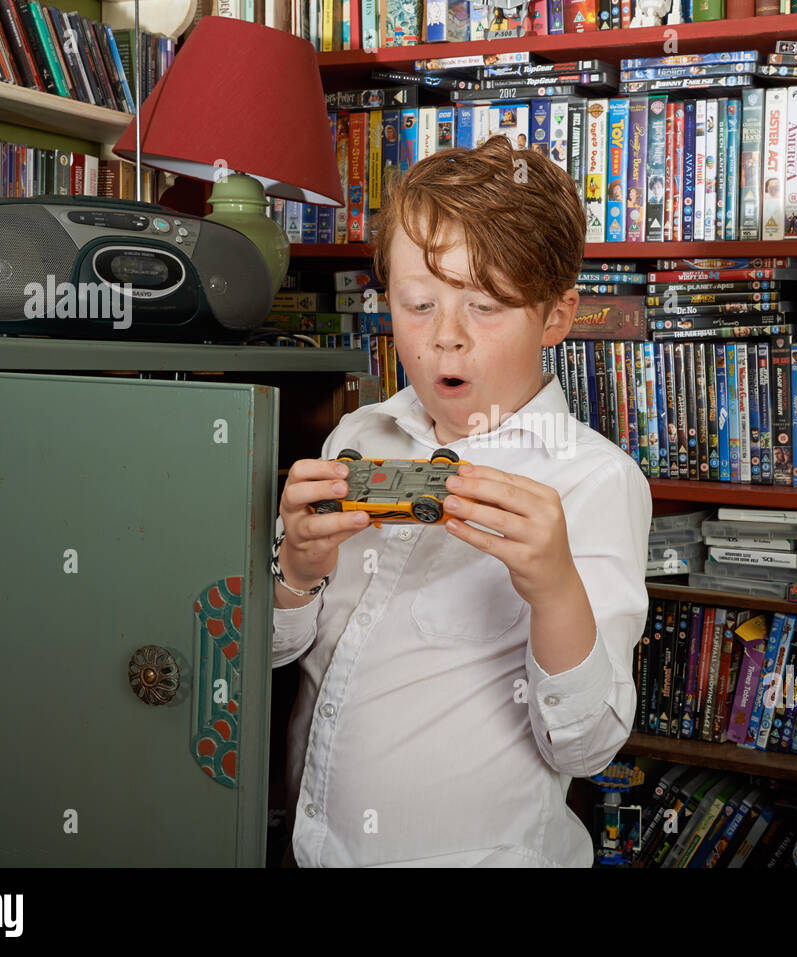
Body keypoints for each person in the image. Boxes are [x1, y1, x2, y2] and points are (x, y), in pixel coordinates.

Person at [271, 134, 651, 867]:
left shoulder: (594, 481)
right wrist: (297, 568)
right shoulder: (357, 434)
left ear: (555, 316)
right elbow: (281, 650)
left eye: (484, 305)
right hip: (309, 847)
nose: (446, 337)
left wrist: (556, 590)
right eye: (418, 303)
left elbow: (586, 744)